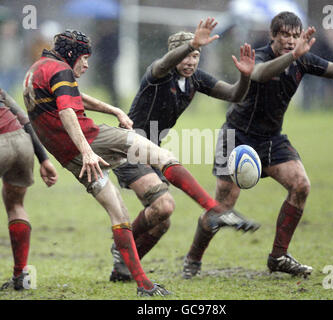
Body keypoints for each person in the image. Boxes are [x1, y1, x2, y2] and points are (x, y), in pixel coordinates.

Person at [22, 29, 256, 296]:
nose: (87, 65)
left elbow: (69, 98)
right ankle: (214, 209)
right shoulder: (155, 72)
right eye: (84, 58)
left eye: (196, 54)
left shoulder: (40, 68)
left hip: (70, 155)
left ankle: (141, 283)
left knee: (134, 216)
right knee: (164, 162)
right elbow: (66, 110)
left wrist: (113, 109)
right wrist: (87, 149)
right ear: (72, 54)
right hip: (94, 142)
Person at [183, 11, 333, 278]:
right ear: (273, 36)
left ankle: (278, 256)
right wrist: (293, 55)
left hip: (272, 139)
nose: (290, 41)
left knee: (301, 185)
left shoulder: (302, 59)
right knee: (223, 205)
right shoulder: (259, 56)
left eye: (295, 36)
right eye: (285, 36)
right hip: (237, 135)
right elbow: (260, 74)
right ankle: (193, 259)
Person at [109, 17, 260, 282]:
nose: (191, 61)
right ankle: (122, 244)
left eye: (196, 56)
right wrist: (191, 43)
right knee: (164, 206)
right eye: (187, 56)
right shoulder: (158, 74)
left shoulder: (195, 79)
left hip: (153, 151)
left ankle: (124, 271)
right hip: (128, 147)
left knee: (161, 222)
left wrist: (245, 77)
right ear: (175, 55)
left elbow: (235, 94)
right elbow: (163, 63)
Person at [0, 88, 58, 290]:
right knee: (15, 205)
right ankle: (20, 275)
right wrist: (44, 159)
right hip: (20, 142)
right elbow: (24, 119)